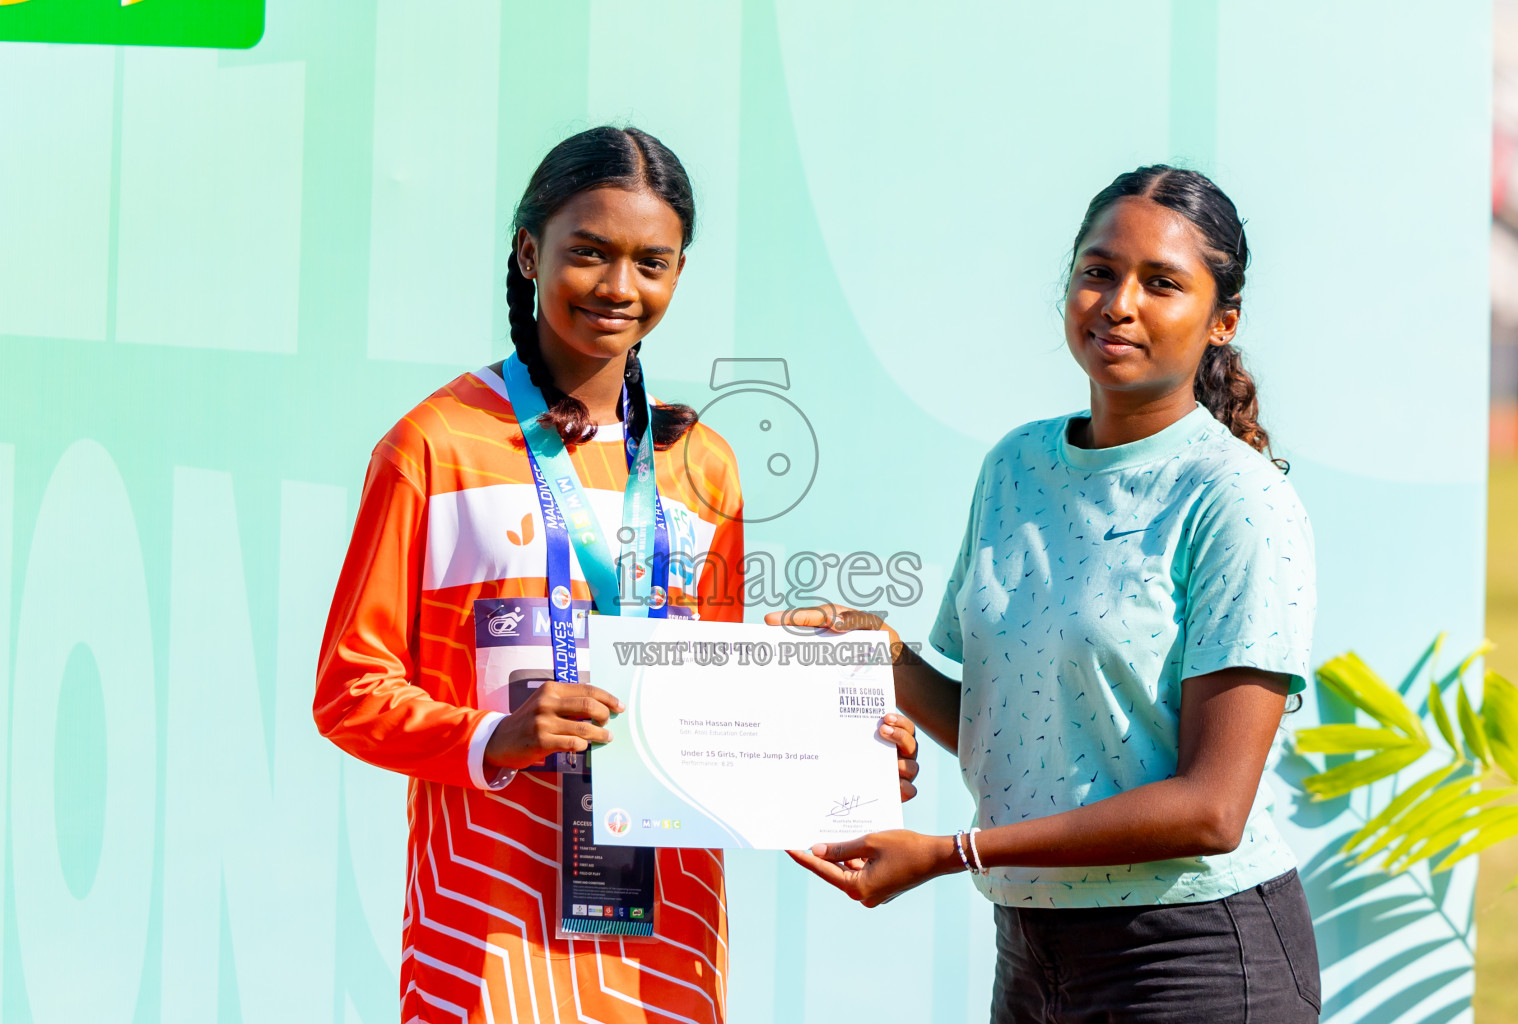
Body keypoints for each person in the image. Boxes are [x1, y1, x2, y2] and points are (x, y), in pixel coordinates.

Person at [314, 125, 919, 1023]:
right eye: (589, 254)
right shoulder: (433, 445)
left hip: (664, 935)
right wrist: (493, 737)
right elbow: (350, 691)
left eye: (652, 262)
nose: (619, 288)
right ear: (528, 252)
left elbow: (720, 708)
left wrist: (838, 767)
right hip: (485, 925)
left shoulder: (702, 465)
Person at [774, 166, 1321, 1023]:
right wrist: (878, 655)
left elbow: (1211, 809)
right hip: (1031, 955)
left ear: (1223, 321)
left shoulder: (1237, 498)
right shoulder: (1016, 465)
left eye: (1162, 283)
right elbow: (1011, 734)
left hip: (1194, 959)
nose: (1118, 303)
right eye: (1098, 271)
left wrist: (954, 853)